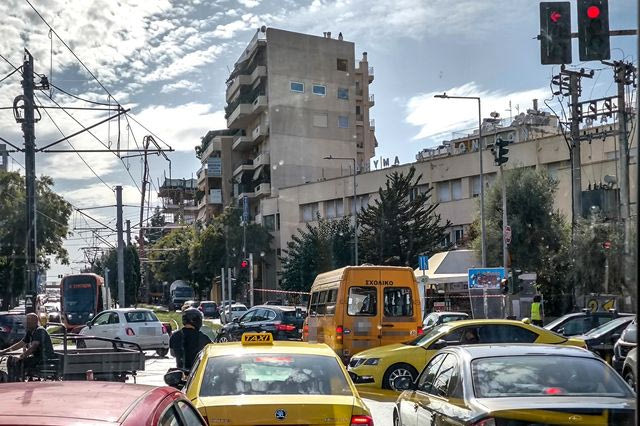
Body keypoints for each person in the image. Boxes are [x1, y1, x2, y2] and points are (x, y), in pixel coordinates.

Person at [0, 312, 54, 382]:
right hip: (38, 357)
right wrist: (4, 351)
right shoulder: (30, 332)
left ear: (34, 321)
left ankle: (18, 380)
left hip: (44, 357)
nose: (26, 323)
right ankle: (15, 379)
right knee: (11, 360)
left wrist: (21, 356)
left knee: (19, 362)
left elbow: (33, 347)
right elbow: (21, 344)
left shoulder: (39, 331)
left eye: (28, 321)